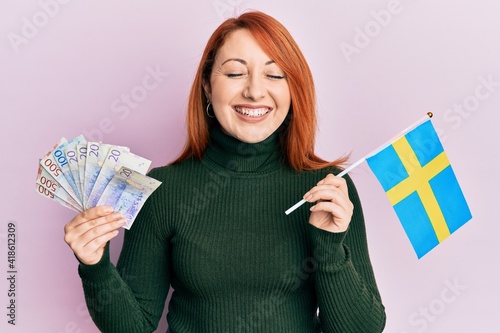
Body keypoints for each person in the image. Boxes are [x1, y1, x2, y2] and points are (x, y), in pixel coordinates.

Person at [64, 11, 386, 333]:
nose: (255, 92)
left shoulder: (327, 190)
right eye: (235, 73)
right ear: (207, 85)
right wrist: (95, 266)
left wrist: (329, 246)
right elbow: (134, 327)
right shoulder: (161, 190)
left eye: (274, 76)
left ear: (293, 90)